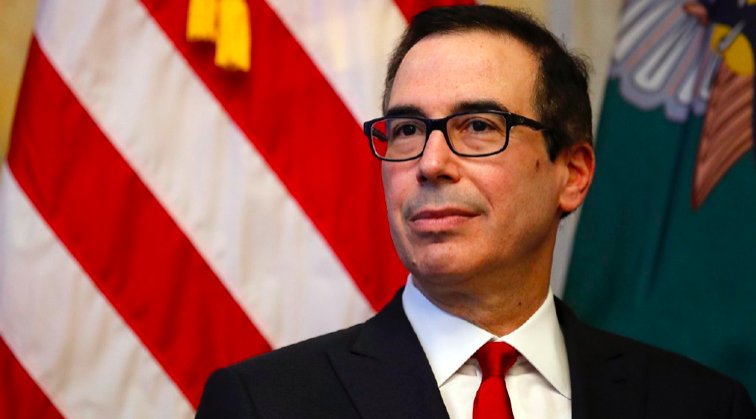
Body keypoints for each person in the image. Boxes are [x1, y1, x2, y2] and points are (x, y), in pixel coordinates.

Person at [195, 5, 756, 419]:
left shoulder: (702, 407)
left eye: (479, 126)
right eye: (408, 129)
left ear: (572, 174)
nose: (430, 163)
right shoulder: (262, 405)